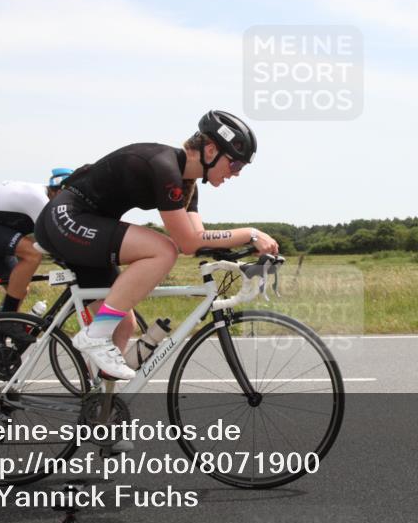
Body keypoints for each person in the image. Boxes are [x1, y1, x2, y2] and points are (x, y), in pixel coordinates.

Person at [35, 110, 279, 379]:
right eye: (235, 165)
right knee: (163, 250)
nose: (236, 174)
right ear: (210, 150)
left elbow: (198, 237)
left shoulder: (187, 185)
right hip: (66, 218)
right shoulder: (165, 168)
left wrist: (242, 253)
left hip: (88, 228)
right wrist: (252, 233)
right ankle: (94, 336)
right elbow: (185, 243)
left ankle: (99, 410)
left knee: (122, 324)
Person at [0, 169, 72, 325]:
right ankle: (7, 324)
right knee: (32, 254)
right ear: (58, 192)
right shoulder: (40, 200)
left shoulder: (47, 196)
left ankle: (0, 334)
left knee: (19, 287)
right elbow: (54, 240)